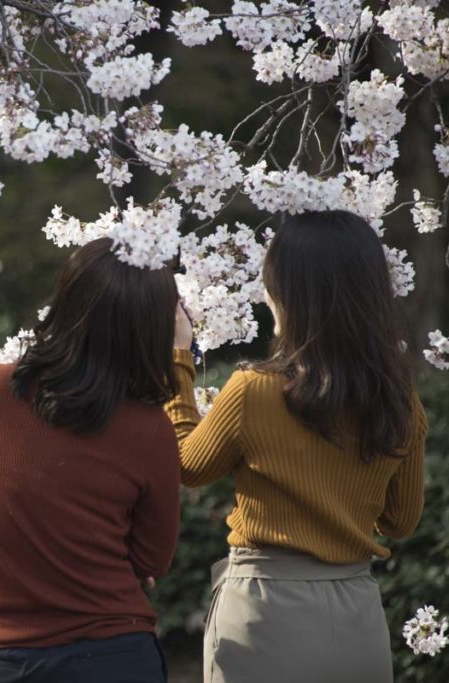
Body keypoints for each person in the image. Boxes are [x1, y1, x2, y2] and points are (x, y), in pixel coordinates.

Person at [167, 210, 428, 683]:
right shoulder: (399, 400)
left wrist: (178, 360)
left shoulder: (253, 389)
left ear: (284, 292)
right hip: (356, 613)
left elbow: (187, 465)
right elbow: (401, 520)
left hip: (265, 610)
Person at [0, 237, 181, 683]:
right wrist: (181, 360)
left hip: (8, 656)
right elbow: (151, 561)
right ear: (149, 327)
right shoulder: (149, 425)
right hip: (116, 655)